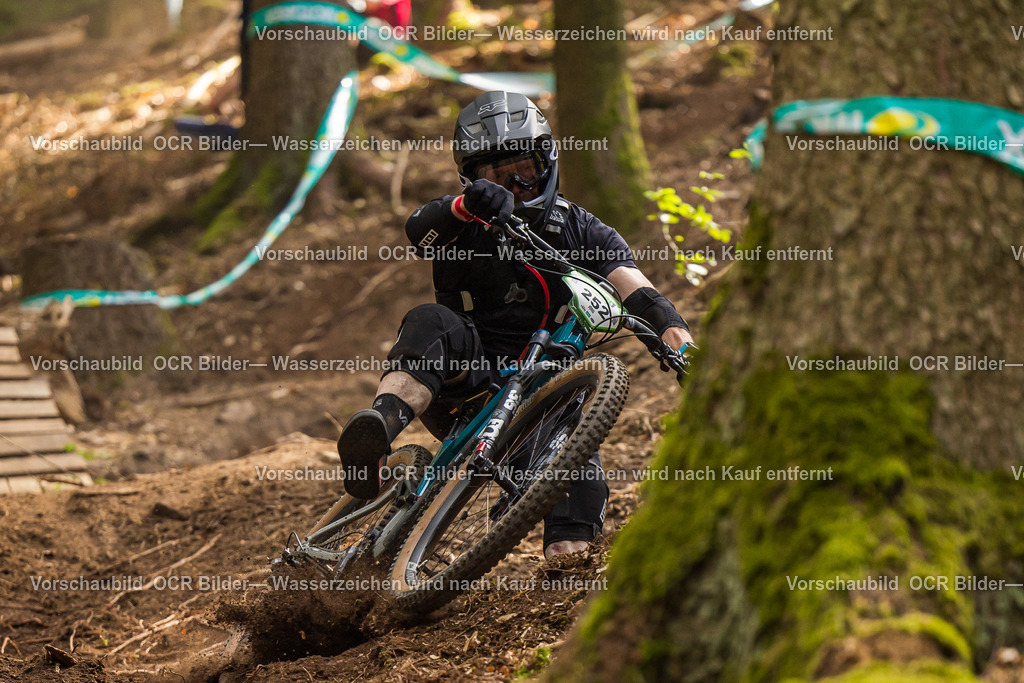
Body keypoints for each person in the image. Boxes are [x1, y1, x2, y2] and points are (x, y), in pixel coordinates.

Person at [338, 91, 693, 559]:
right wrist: (467, 206)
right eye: (497, 178)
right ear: (471, 178)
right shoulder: (463, 221)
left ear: (546, 163)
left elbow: (641, 292)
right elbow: (417, 228)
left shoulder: (582, 230)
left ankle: (559, 596)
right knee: (430, 321)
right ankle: (375, 434)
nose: (514, 188)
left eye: (523, 172)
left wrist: (682, 345)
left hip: (538, 401)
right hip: (463, 375)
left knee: (579, 506)